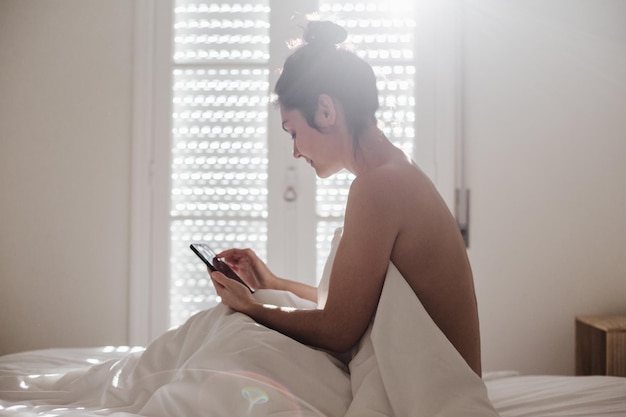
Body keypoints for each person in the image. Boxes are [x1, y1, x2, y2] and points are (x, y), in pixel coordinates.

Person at [210, 20, 482, 376]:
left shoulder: (378, 187)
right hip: (433, 382)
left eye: (293, 132)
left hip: (435, 397)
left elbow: (338, 330)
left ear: (325, 110)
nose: (294, 152)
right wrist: (272, 285)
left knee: (227, 344)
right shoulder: (394, 170)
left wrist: (251, 307)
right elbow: (350, 307)